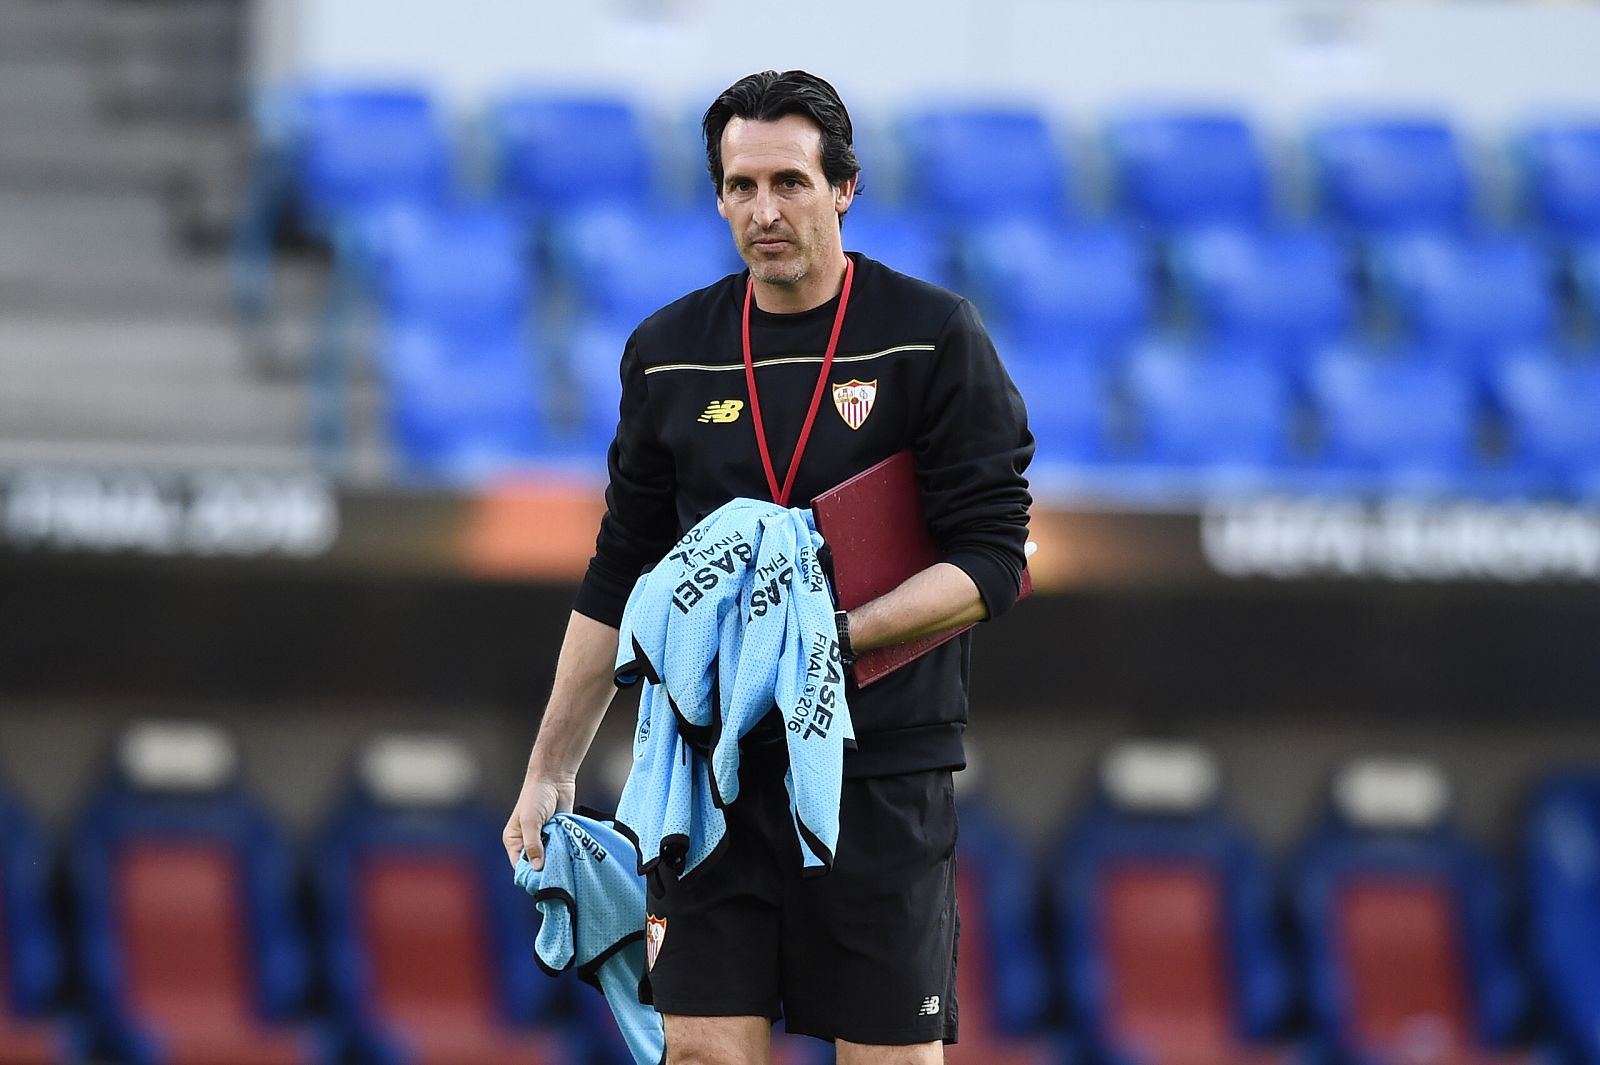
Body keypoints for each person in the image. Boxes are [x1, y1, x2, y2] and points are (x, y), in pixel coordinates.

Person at [503, 69, 1033, 1065]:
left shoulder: (931, 337)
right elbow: (621, 569)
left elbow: (994, 561)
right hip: (706, 775)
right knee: (700, 1054)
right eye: (740, 187)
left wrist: (822, 639)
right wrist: (549, 769)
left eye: (789, 182)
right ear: (716, 197)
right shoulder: (668, 352)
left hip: (878, 776)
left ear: (843, 187)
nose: (764, 211)